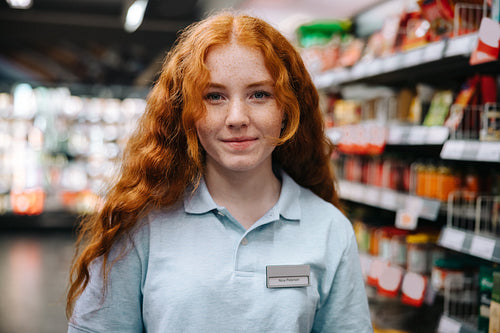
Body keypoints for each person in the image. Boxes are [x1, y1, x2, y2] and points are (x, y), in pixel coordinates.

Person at [66, 11, 373, 333]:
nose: (236, 117)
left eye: (260, 94)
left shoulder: (328, 229)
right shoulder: (141, 222)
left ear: (287, 107)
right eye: (214, 96)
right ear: (184, 111)